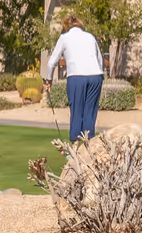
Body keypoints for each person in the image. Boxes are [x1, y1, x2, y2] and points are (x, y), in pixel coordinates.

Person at [45, 12, 106, 140]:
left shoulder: (64, 38)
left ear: (66, 27)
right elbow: (100, 60)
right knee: (89, 113)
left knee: (77, 113)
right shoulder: (90, 37)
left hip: (77, 77)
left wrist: (48, 80)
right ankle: (88, 149)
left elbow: (51, 63)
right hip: (96, 76)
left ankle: (75, 149)